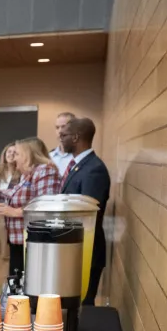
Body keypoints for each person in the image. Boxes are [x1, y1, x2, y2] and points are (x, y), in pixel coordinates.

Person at [59, 117, 110, 304]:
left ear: (75, 137)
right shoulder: (79, 166)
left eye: (63, 135)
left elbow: (88, 213)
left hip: (85, 251)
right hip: (73, 248)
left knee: (81, 306)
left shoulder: (93, 169)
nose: (60, 139)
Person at [0, 138, 61, 279]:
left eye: (18, 154)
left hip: (34, 242)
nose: (14, 158)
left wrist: (14, 212)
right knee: (16, 285)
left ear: (29, 155)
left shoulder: (45, 171)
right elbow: (15, 195)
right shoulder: (27, 175)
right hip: (18, 241)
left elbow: (45, 205)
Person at [48, 111, 76, 177]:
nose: (60, 131)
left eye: (63, 127)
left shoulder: (78, 157)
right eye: (57, 127)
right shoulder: (49, 157)